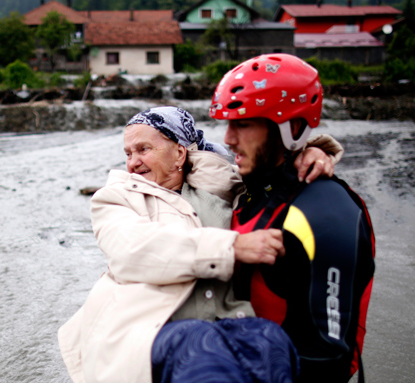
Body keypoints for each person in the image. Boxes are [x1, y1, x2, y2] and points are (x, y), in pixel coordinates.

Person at [58, 106, 340, 383]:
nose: (132, 162)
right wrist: (232, 247)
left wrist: (309, 152)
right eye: (128, 153)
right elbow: (133, 249)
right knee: (200, 346)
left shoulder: (224, 185)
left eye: (143, 149)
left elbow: (265, 159)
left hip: (224, 319)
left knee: (271, 342)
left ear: (180, 153)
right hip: (147, 328)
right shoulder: (116, 198)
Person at [210, 53, 375, 382]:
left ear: (292, 127)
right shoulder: (250, 190)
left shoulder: (326, 211)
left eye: (243, 124)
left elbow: (327, 358)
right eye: (227, 124)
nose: (228, 140)